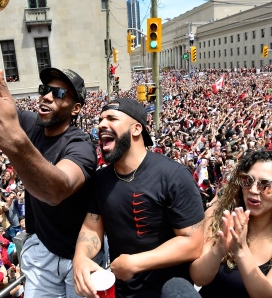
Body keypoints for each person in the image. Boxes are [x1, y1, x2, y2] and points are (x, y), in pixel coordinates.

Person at [0, 20, 98, 297]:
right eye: (45, 89)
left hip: (79, 259)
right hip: (42, 253)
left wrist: (11, 140)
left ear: (75, 108)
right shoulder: (29, 124)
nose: (47, 96)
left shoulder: (80, 145)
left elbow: (57, 190)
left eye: (59, 93)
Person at [73, 98, 205, 298]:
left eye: (111, 118)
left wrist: (135, 262)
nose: (101, 124)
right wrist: (81, 257)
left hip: (167, 291)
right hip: (119, 291)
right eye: (100, 119)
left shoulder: (173, 176)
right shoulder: (101, 179)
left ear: (136, 129)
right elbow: (92, 228)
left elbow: (193, 243)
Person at [190, 150, 272, 298]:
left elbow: (271, 296)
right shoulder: (218, 216)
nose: (253, 190)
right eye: (247, 180)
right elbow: (198, 278)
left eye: (265, 185)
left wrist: (241, 250)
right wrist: (218, 250)